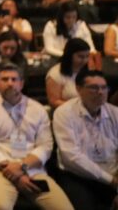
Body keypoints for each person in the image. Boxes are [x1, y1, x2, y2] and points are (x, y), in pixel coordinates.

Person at [0, 62, 74, 210]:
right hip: (0, 171)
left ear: (21, 83)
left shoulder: (38, 109)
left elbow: (46, 146)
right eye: (5, 79)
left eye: (14, 79)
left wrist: (22, 166)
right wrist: (17, 175)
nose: (10, 83)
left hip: (34, 170)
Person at [52, 70, 118, 209]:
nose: (100, 92)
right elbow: (71, 157)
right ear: (79, 89)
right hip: (78, 176)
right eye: (94, 87)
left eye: (104, 87)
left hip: (113, 174)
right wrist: (111, 180)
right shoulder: (64, 113)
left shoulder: (114, 113)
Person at [45, 38, 91, 110]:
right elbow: (54, 102)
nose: (85, 60)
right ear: (69, 55)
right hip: (66, 113)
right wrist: (79, 107)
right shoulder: (55, 74)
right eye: (81, 57)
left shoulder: (87, 70)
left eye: (87, 56)